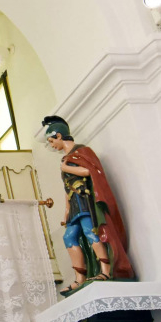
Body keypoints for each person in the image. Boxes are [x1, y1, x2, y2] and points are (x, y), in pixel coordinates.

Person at [42, 116, 134, 293]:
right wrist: (66, 210)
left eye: (51, 141)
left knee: (90, 232)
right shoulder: (65, 159)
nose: (52, 145)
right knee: (69, 237)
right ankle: (79, 279)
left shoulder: (82, 151)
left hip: (85, 201)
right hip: (74, 204)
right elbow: (67, 187)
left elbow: (89, 171)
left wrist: (66, 168)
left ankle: (105, 271)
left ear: (59, 136)